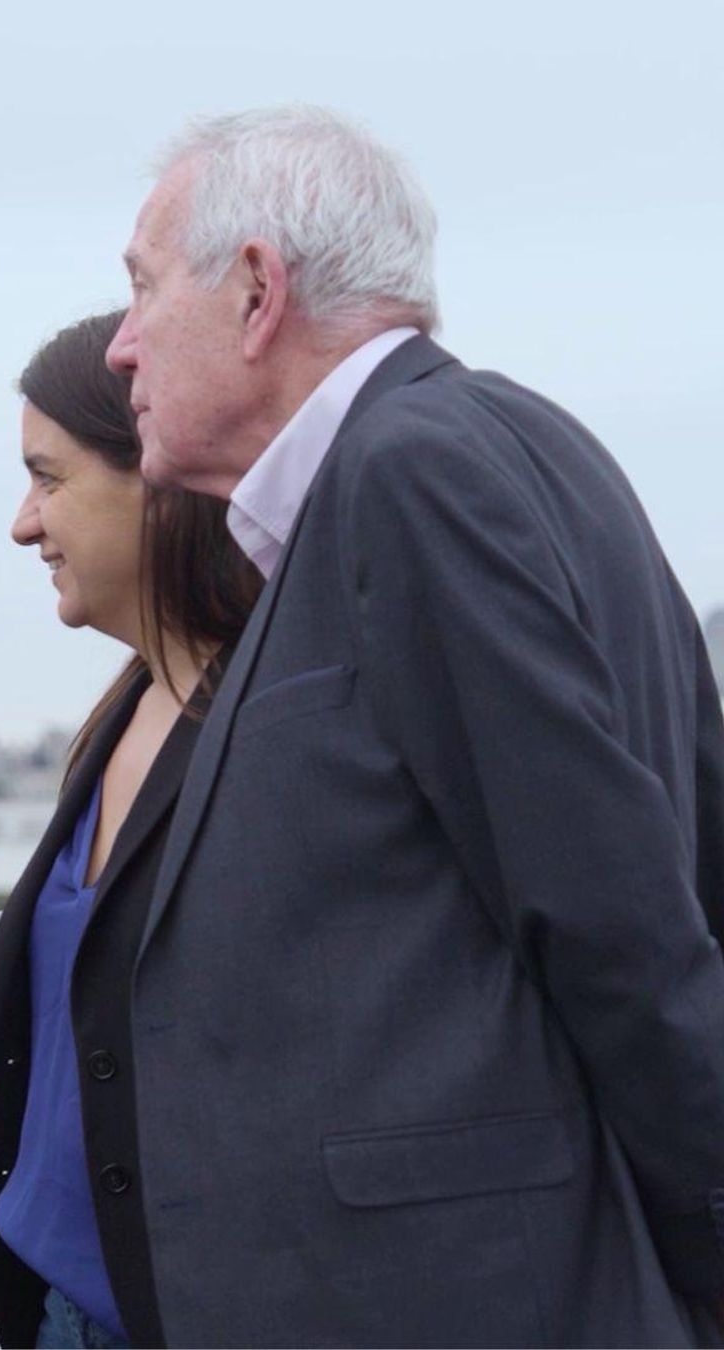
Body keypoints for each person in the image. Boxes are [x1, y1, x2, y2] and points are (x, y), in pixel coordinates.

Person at [105, 105, 724, 1344]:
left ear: (256, 291)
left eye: (140, 288)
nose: (120, 347)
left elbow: (616, 916)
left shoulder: (409, 475)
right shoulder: (527, 446)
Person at [0, 310, 259, 1349]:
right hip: (65, 1304)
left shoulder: (273, 731)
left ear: (156, 477)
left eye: (48, 477)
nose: (23, 521)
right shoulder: (128, 710)